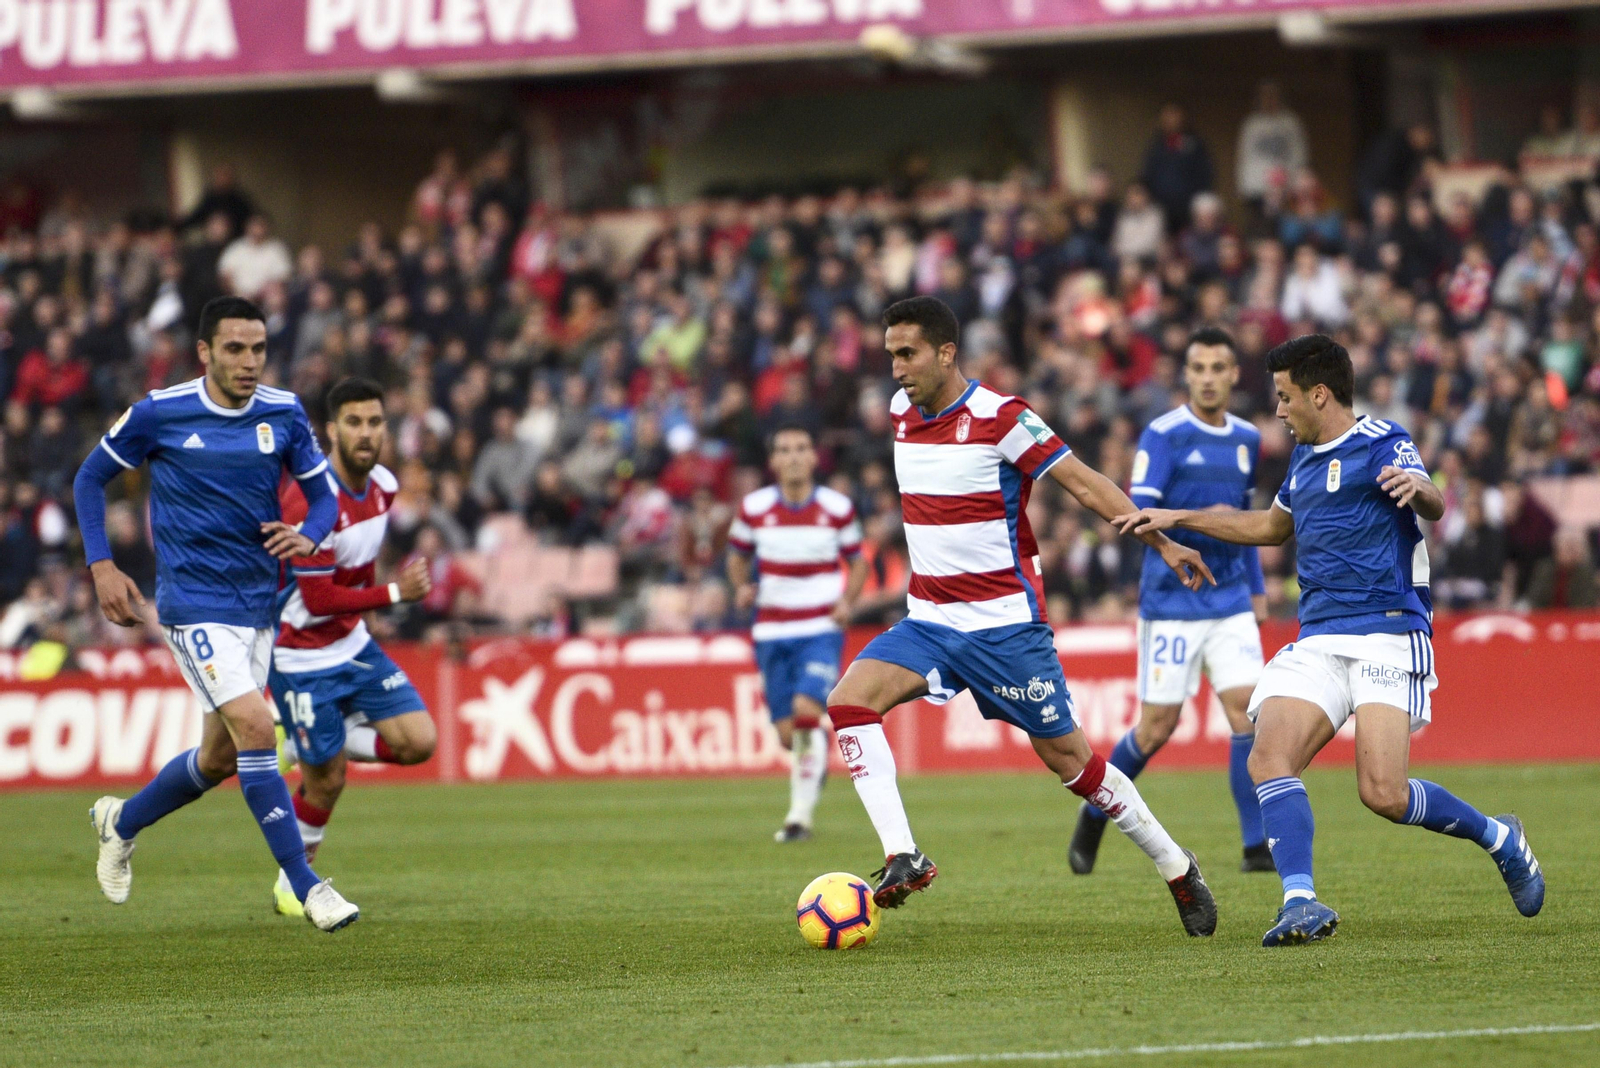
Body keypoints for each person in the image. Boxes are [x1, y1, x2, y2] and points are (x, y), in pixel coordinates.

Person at [1114, 334, 1544, 946]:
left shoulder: (1384, 441)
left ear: (1319, 394)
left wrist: (1415, 488)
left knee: (1384, 794)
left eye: (1286, 398)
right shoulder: (1305, 459)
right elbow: (1269, 526)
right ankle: (1300, 901)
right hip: (1319, 636)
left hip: (1388, 633)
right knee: (1268, 755)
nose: (1279, 412)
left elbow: (1435, 500)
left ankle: (1500, 838)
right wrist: (1179, 517)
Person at [824, 296, 1220, 936]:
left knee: (1073, 764)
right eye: (890, 354)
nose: (895, 370)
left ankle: (1176, 865)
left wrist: (1164, 542)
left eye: (908, 354)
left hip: (1003, 627)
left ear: (946, 353)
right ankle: (904, 853)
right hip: (928, 621)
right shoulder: (901, 412)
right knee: (848, 703)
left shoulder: (1002, 418)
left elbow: (1086, 485)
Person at [72, 296, 360, 932]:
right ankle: (309, 887)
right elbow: (89, 479)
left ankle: (121, 822)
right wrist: (101, 566)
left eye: (258, 349)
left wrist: (310, 534)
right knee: (259, 730)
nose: (249, 362)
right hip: (191, 604)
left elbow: (321, 499)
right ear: (204, 352)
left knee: (220, 758)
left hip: (257, 604)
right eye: (234, 349)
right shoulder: (160, 412)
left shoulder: (283, 414)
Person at [1069, 328, 1273, 877]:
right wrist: (1177, 541)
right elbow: (1138, 515)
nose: (1208, 377)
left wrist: (1255, 590)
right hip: (1172, 602)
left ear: (1233, 375)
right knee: (1157, 727)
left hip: (1229, 599)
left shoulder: (1248, 439)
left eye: (1218, 368)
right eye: (1199, 367)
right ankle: (1095, 811)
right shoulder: (1163, 434)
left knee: (1248, 714)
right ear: (1187, 375)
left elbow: (1249, 524)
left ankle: (1255, 846)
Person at [268, 377, 438, 917]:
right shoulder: (309, 497)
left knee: (419, 741)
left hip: (353, 643)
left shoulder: (384, 486)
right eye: (354, 423)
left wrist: (375, 597)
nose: (366, 434)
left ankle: (309, 739)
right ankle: (294, 883)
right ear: (331, 431)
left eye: (375, 422)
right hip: (299, 654)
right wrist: (393, 594)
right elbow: (316, 597)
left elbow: (354, 566)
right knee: (328, 780)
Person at [726, 423, 868, 842]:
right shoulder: (753, 508)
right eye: (783, 449)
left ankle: (798, 819)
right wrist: (741, 588)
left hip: (819, 627)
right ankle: (816, 758)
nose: (792, 456)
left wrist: (848, 602)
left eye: (800, 448)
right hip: (771, 629)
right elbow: (736, 555)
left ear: (813, 457)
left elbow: (857, 560)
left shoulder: (837, 508)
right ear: (772, 461)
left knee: (808, 709)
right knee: (790, 735)